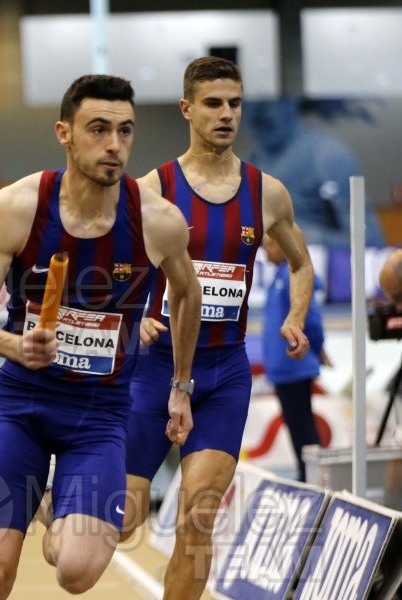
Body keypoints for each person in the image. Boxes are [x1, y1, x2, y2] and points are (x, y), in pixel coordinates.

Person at [0, 74, 201, 598]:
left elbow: (188, 293)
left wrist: (182, 385)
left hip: (99, 416)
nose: (114, 145)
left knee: (76, 571)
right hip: (21, 404)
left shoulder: (158, 222)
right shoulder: (17, 206)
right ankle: (43, 499)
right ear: (64, 133)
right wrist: (14, 345)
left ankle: (50, 503)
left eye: (125, 131)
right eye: (98, 129)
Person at [120, 56, 315, 600]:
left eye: (234, 103)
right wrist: (138, 316)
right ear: (187, 109)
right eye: (212, 104)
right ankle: (60, 488)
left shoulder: (267, 192)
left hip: (225, 371)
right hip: (156, 372)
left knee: (199, 515)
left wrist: (295, 317)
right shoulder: (151, 189)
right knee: (121, 520)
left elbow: (300, 263)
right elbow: (110, 270)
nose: (226, 114)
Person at [244, 97, 385, 247]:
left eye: (266, 102)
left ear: (291, 101)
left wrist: (308, 239)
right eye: (246, 103)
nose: (255, 112)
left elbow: (370, 242)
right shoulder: (245, 165)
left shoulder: (328, 156)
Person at [262, 232, 330, 482]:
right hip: (284, 368)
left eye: (270, 244)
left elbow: (309, 317)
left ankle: (313, 480)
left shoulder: (293, 278)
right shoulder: (279, 277)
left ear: (284, 246)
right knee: (298, 426)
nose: (265, 250)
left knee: (303, 428)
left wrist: (318, 346)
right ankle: (309, 476)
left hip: (294, 366)